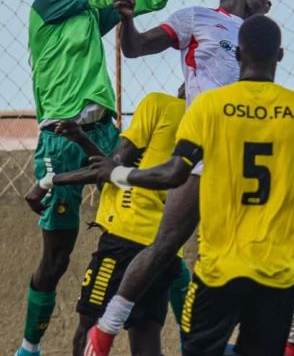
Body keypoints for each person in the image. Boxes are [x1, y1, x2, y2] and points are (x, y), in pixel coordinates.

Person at [85, 0, 294, 356]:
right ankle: (105, 328)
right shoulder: (197, 18)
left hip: (242, 147)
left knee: (268, 240)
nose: (270, 0)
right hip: (204, 146)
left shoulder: (255, 38)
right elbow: (136, 48)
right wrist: (126, 20)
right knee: (166, 243)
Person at [16, 0, 203, 356]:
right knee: (56, 256)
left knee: (150, 226)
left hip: (102, 132)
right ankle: (28, 347)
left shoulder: (83, 15)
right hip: (60, 136)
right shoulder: (49, 5)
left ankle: (196, 342)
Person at [26, 91, 193, 356]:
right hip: (165, 247)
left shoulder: (160, 104)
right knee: (147, 338)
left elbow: (112, 168)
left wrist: (48, 181)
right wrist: (81, 138)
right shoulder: (210, 126)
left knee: (88, 331)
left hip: (124, 241)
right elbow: (112, 170)